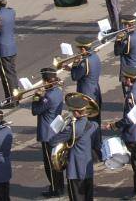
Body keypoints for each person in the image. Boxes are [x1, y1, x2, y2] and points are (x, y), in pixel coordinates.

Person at [48, 93, 99, 201]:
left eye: (71, 111)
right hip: (87, 168)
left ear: (76, 112)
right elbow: (96, 145)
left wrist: (62, 126)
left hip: (75, 169)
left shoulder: (72, 128)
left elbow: (52, 141)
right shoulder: (94, 125)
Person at [113, 67, 136, 200]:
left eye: (124, 78)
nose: (123, 80)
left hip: (132, 132)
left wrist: (115, 125)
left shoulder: (131, 95)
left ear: (129, 79)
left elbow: (129, 118)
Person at [31, 67, 65, 198]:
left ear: (46, 81)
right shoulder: (58, 91)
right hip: (55, 130)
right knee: (56, 162)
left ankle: (55, 189)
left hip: (47, 133)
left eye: (43, 81)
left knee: (50, 165)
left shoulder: (49, 97)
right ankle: (59, 187)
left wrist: (36, 97)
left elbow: (35, 110)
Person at [113, 14, 136, 82]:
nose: (124, 26)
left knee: (128, 90)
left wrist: (117, 40)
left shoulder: (128, 39)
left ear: (127, 25)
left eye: (125, 24)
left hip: (128, 69)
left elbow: (117, 52)